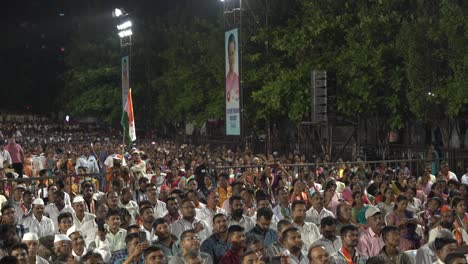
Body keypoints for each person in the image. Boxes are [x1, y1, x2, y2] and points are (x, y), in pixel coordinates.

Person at [226, 33, 239, 103]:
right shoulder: (226, 80)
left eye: (232, 53)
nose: (231, 57)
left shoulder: (238, 79)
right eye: (229, 54)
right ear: (227, 56)